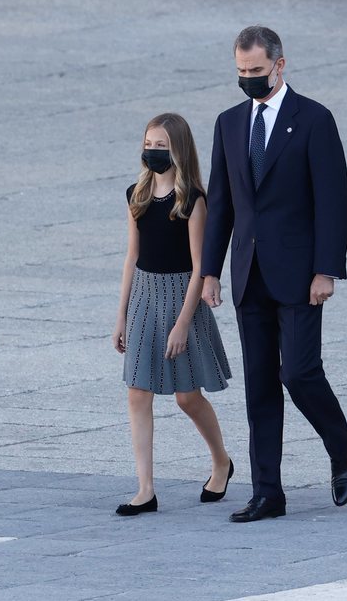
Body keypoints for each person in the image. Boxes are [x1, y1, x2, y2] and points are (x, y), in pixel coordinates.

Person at [201, 26, 347, 523]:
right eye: (241, 72)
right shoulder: (228, 124)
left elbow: (334, 202)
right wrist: (210, 272)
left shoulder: (313, 119)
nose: (249, 80)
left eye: (257, 71)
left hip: (299, 274)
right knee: (260, 385)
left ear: (280, 65)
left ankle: (341, 451)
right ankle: (268, 491)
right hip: (249, 272)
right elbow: (221, 204)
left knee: (299, 371)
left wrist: (327, 269)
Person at [112, 113, 234, 516]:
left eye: (161, 145)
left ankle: (221, 460)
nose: (153, 152)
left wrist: (184, 321)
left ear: (178, 149)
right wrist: (120, 316)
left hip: (183, 296)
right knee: (137, 391)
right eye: (148, 144)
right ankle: (145, 488)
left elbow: (200, 266)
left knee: (186, 396)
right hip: (145, 296)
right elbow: (132, 257)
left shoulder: (193, 200)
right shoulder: (137, 194)